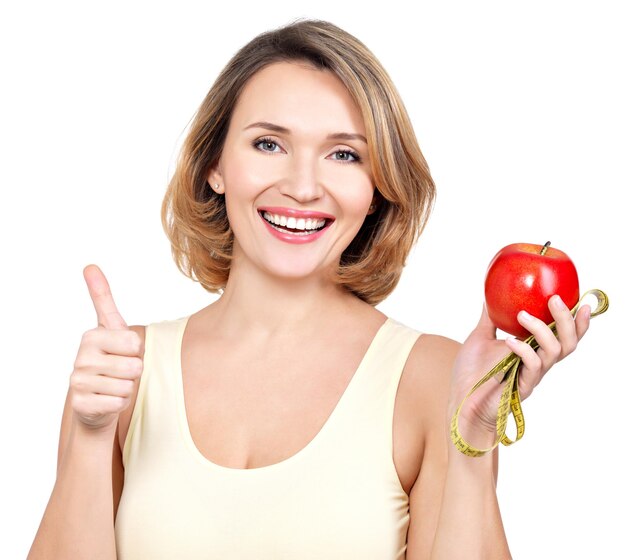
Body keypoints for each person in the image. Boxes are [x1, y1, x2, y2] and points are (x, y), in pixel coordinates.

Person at [27, 18, 593, 560]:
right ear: (213, 166)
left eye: (344, 154)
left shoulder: (433, 378)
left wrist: (473, 442)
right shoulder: (124, 369)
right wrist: (91, 434)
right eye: (268, 144)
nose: (302, 187)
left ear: (377, 187)